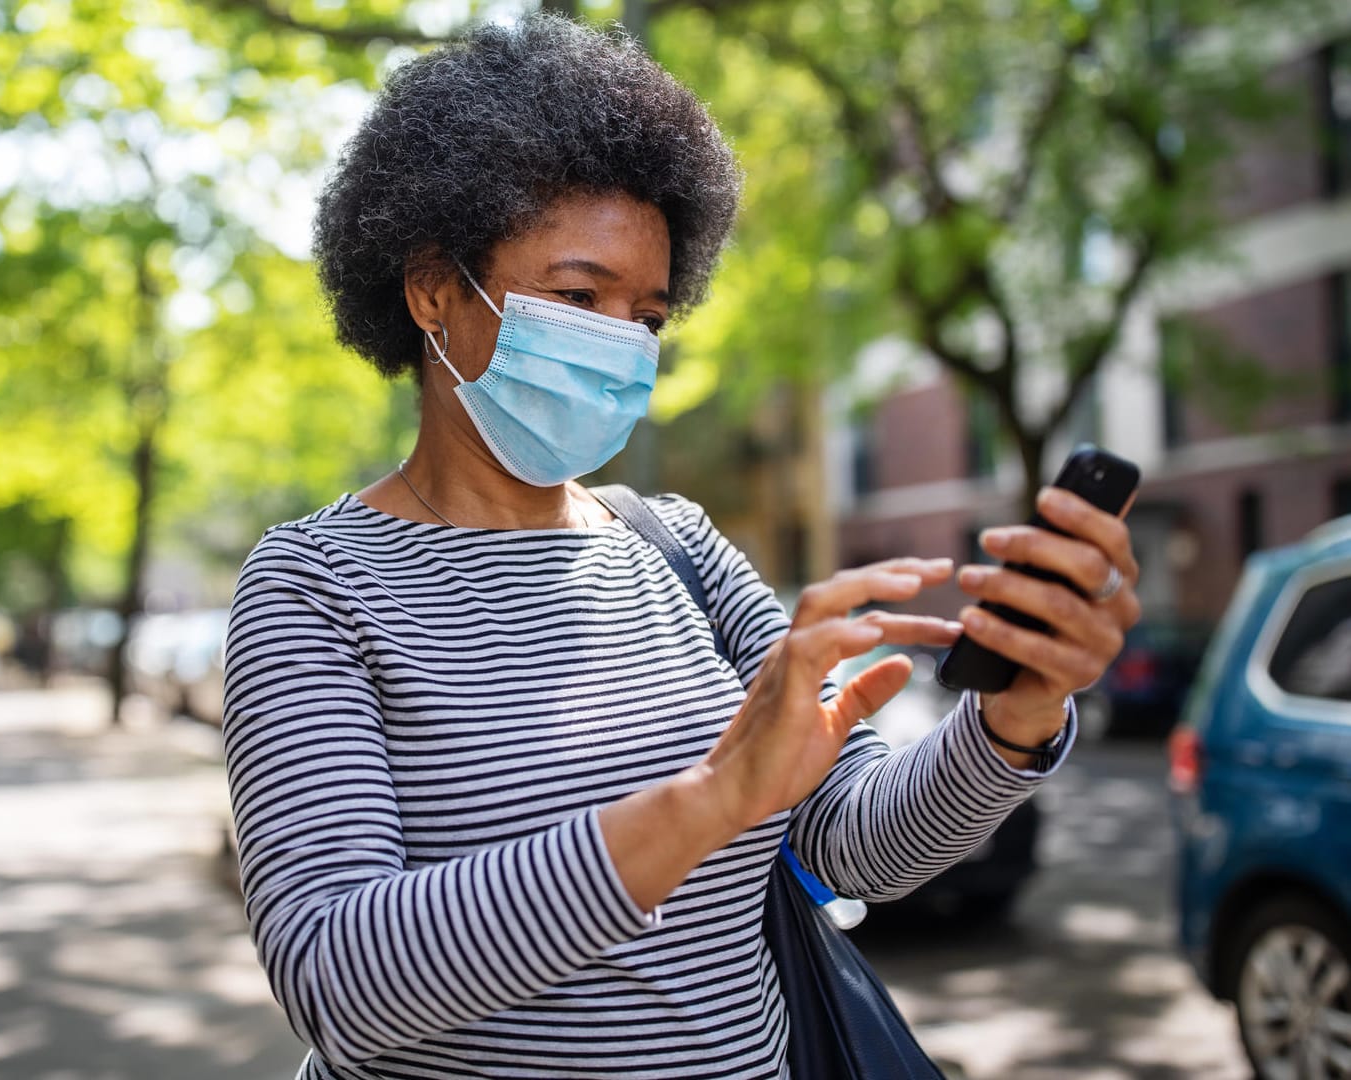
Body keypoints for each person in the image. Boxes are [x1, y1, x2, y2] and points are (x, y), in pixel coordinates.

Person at [222, 15, 1141, 1080]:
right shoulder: (314, 585)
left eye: (647, 316)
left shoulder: (675, 547)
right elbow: (339, 982)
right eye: (576, 298)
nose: (619, 342)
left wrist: (1015, 718)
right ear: (433, 291)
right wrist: (704, 806)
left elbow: (856, 845)